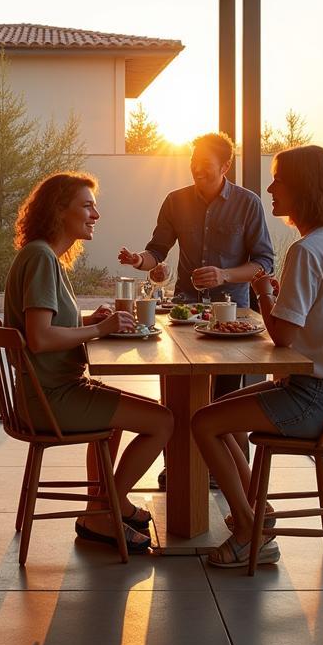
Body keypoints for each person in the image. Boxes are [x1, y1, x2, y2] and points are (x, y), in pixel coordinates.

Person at [190, 145, 323, 568]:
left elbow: (285, 336)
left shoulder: (307, 251)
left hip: (318, 399)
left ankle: (247, 531)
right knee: (216, 414)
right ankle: (257, 515)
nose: (270, 188)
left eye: (279, 180)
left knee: (203, 421)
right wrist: (271, 294)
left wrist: (263, 294)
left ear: (303, 188)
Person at [4, 172, 174, 554]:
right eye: (86, 205)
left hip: (50, 392)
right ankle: (103, 509)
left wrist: (87, 321)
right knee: (163, 421)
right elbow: (40, 338)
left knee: (118, 422)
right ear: (58, 209)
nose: (96, 213)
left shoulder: (44, 256)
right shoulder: (41, 258)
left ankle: (108, 506)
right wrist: (102, 330)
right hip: (50, 399)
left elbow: (46, 327)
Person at [118, 131, 274, 484]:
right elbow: (157, 250)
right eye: (193, 164)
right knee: (176, 390)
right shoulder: (175, 201)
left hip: (232, 314)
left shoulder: (248, 204)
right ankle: (179, 465)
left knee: (226, 399)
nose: (197, 171)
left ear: (226, 166)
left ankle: (226, 474)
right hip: (185, 312)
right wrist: (139, 260)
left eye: (205, 166)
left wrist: (224, 274)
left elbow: (264, 262)